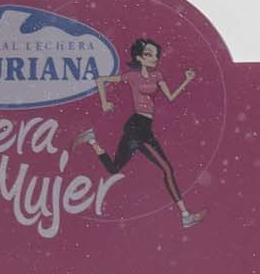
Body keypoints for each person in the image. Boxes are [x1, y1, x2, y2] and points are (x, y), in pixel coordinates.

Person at [86, 35, 202, 224]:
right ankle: (185, 215)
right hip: (137, 127)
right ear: (139, 58)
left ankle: (92, 140)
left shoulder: (157, 76)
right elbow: (101, 80)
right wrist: (104, 102)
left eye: (155, 55)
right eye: (149, 54)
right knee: (167, 169)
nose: (154, 58)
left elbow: (171, 97)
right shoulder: (132, 76)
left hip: (143, 127)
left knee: (114, 169)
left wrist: (186, 80)